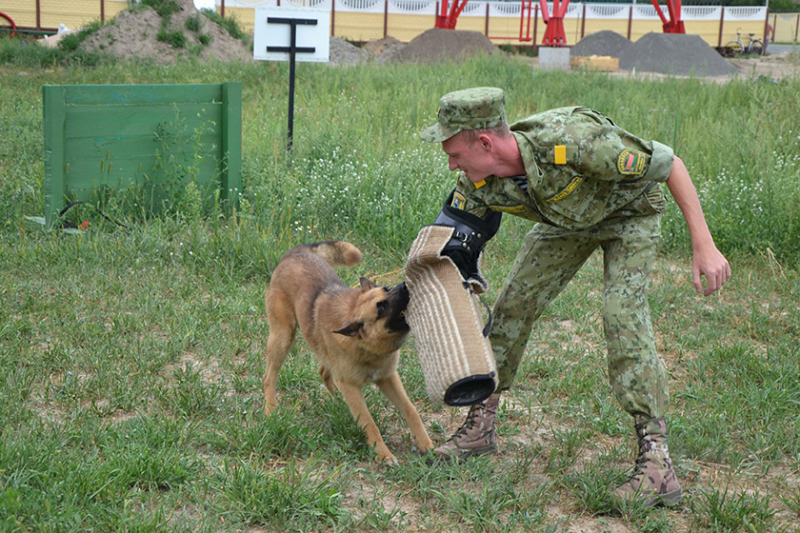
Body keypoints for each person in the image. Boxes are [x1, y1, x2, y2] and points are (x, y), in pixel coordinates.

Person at [418, 87, 731, 508]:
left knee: (622, 316)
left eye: (454, 152)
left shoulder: (574, 141)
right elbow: (449, 239)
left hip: (629, 215)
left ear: (486, 143)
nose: (450, 162)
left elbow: (671, 163)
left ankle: (658, 465)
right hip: (565, 223)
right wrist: (417, 284)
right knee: (512, 307)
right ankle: (479, 427)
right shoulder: (479, 180)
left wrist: (704, 244)